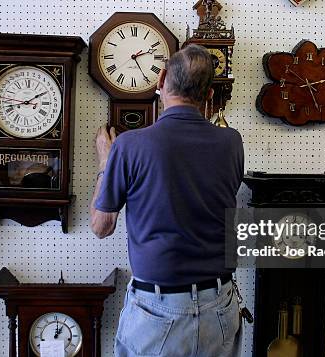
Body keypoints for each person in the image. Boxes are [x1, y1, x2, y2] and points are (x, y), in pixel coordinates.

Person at [89, 44, 244, 357]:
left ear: (160, 80)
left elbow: (101, 226)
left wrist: (106, 163)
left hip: (158, 312)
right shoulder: (232, 142)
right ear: (209, 96)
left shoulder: (129, 146)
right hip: (221, 305)